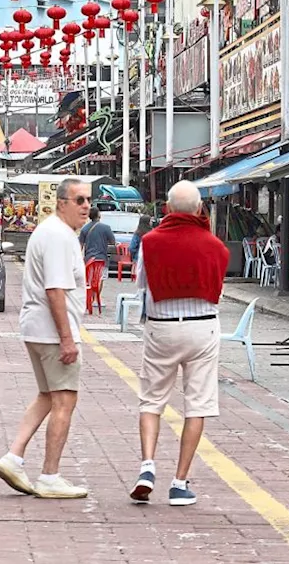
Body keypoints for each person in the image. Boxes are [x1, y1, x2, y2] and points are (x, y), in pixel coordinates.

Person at [131, 180, 229, 506]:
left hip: (161, 328)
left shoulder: (150, 242)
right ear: (200, 209)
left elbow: (141, 284)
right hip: (203, 330)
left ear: (168, 209)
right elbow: (218, 289)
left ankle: (147, 466)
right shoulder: (216, 246)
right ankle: (180, 482)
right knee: (197, 404)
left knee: (151, 400)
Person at [0, 178, 91, 499]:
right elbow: (55, 289)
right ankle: (50, 474)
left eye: (88, 200)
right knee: (64, 400)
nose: (86, 206)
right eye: (79, 200)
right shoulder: (59, 236)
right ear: (61, 202)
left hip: (37, 327)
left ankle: (14, 457)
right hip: (51, 331)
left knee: (47, 396)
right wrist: (67, 338)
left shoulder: (50, 231)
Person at [78, 207, 116, 311]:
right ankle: (96, 299)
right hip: (102, 258)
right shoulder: (106, 228)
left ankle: (88, 299)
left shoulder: (84, 229)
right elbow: (112, 242)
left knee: (89, 280)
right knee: (99, 279)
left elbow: (80, 245)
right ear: (99, 215)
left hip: (89, 258)